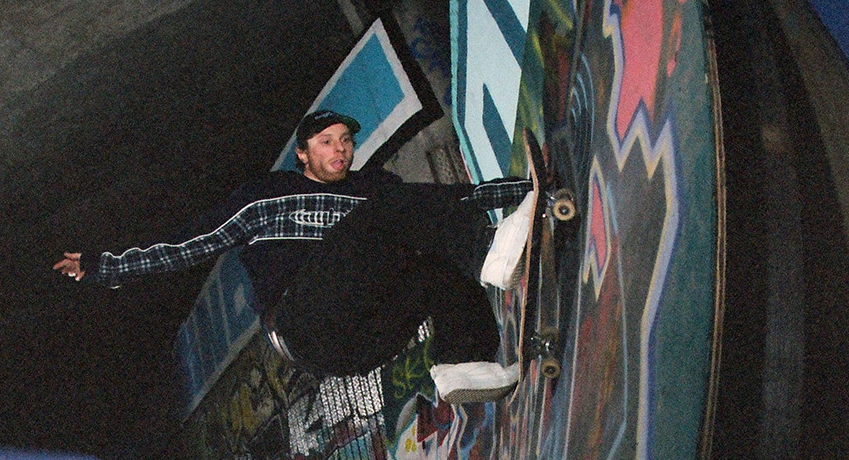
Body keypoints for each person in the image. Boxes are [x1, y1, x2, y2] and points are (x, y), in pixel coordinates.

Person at [55, 109, 535, 405]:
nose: (340, 151)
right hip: (303, 323)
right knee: (380, 210)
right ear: (302, 154)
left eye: (346, 142)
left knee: (434, 266)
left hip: (362, 339)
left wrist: (529, 188)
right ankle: (488, 254)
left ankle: (463, 365)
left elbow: (451, 199)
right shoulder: (265, 197)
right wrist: (105, 266)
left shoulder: (371, 189)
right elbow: (192, 244)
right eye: (326, 142)